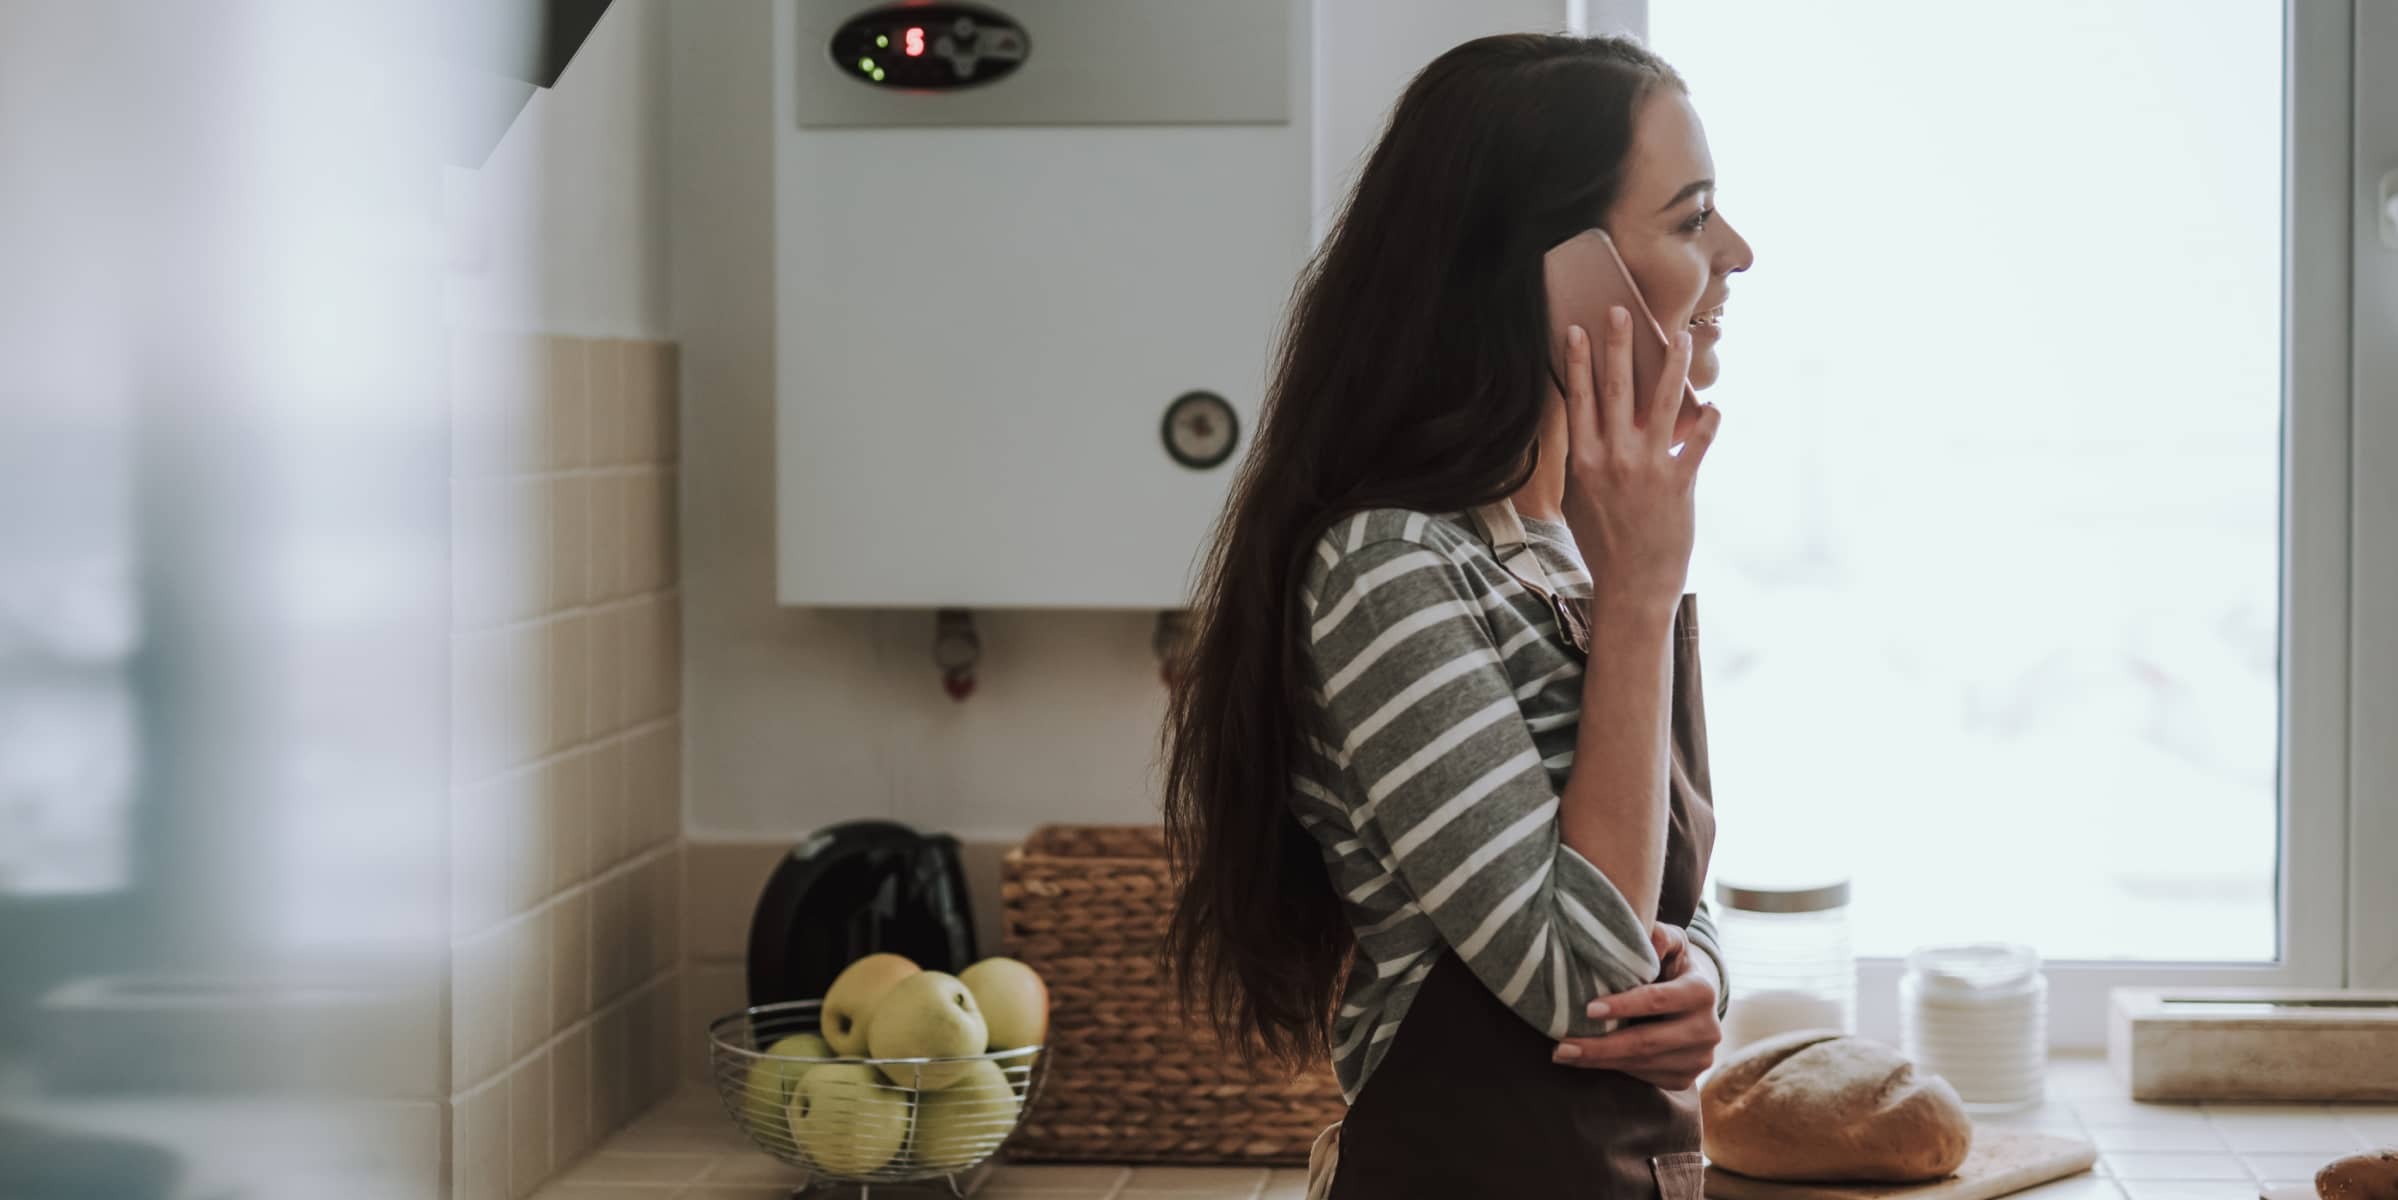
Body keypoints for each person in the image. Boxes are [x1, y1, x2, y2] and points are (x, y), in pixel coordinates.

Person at [1161, 32, 1756, 1198]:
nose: (1735, 252)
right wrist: (1640, 598)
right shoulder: (1389, 565)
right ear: (1554, 271)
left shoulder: (1563, 547)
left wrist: (1704, 986)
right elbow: (1584, 980)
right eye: (1691, 219)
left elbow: (1658, 898)